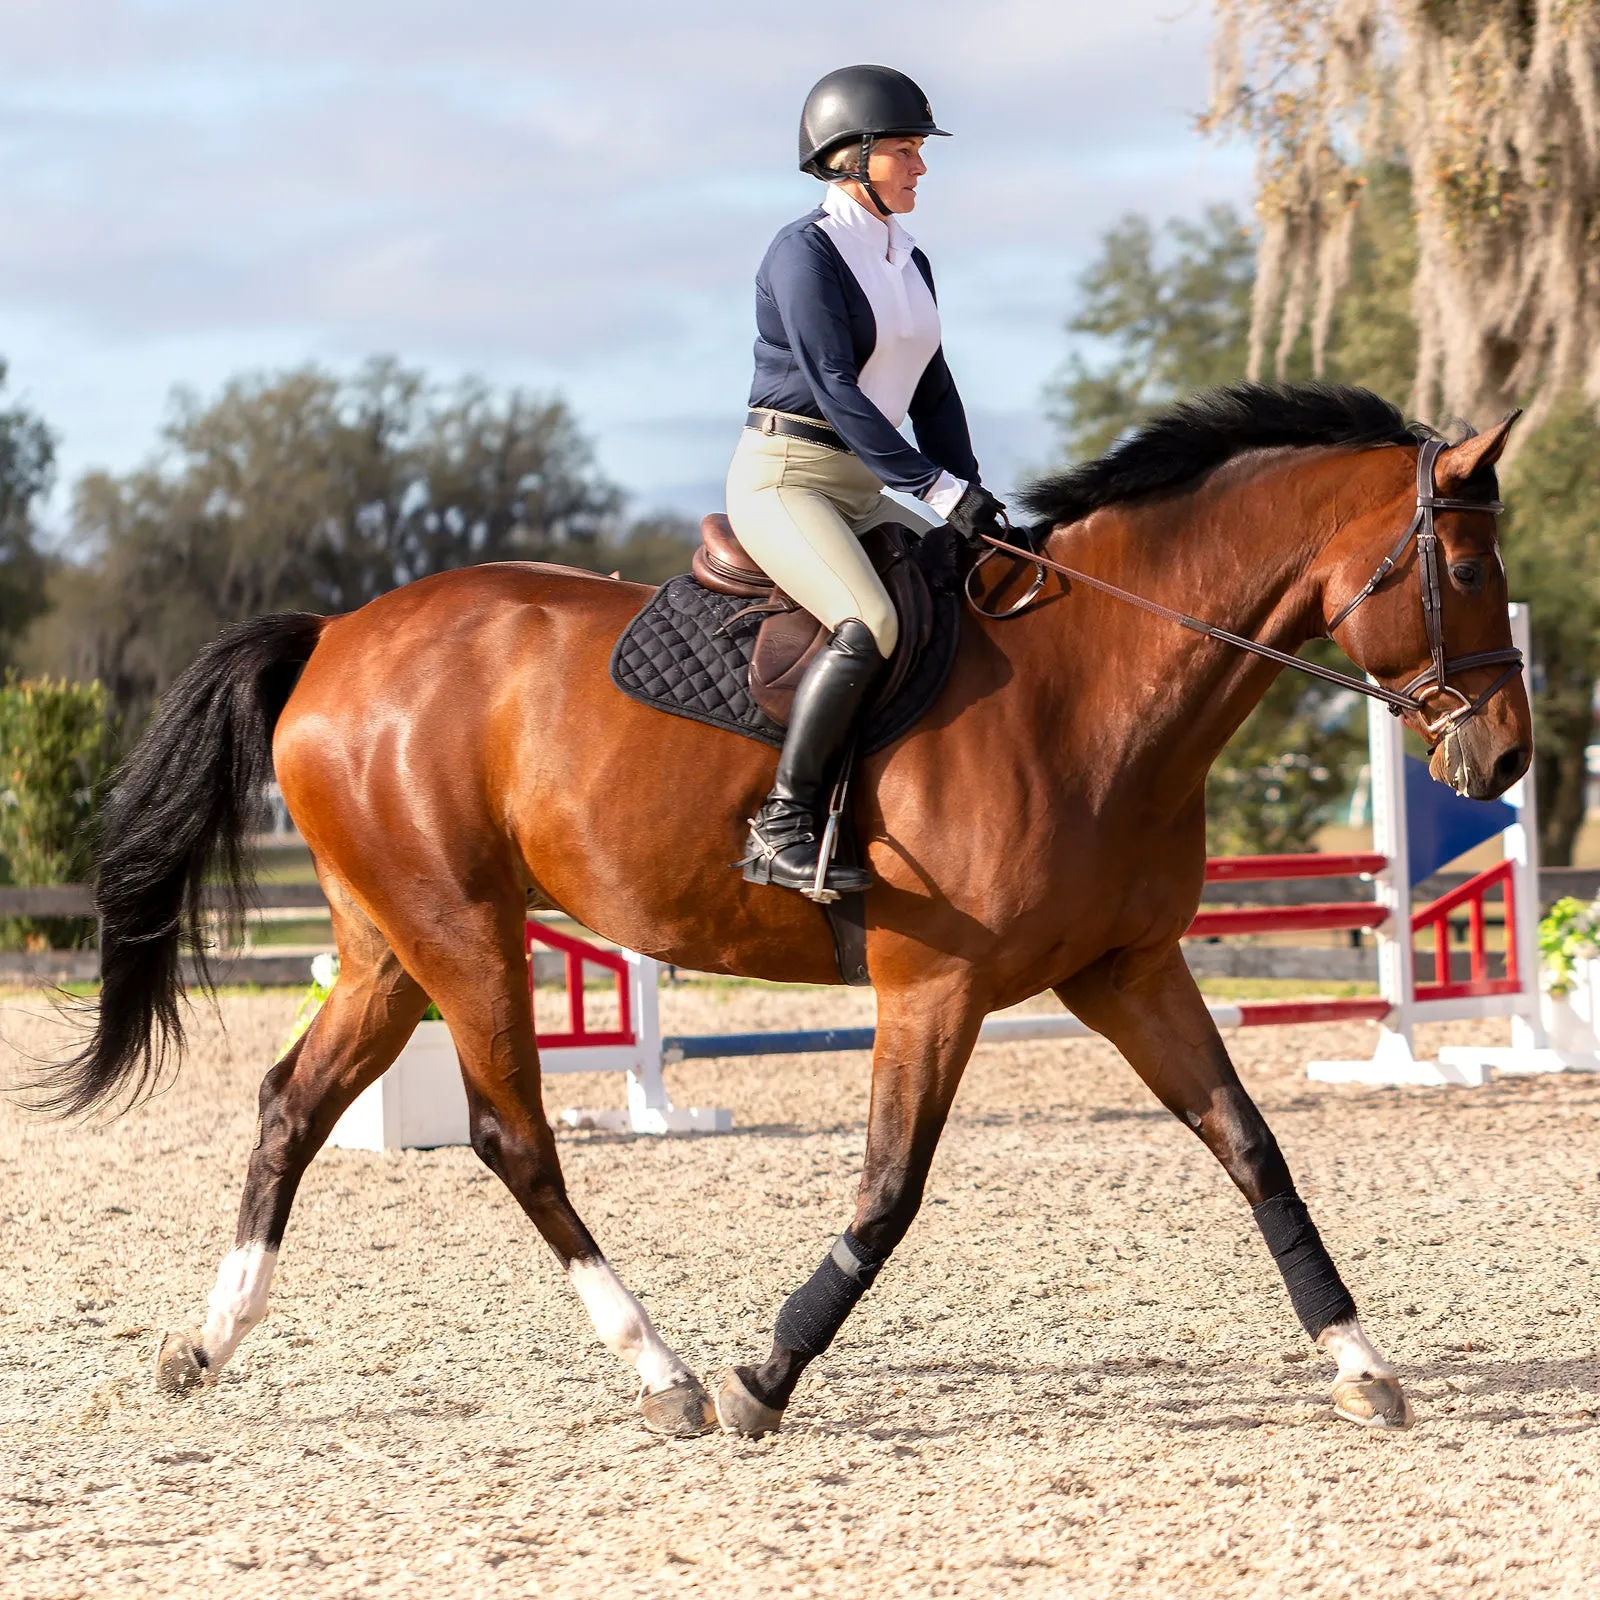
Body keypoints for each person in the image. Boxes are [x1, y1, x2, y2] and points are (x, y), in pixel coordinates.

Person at [730, 64, 1005, 899]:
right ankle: (782, 825)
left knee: (987, 582)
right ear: (849, 158)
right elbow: (834, 388)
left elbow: (934, 388)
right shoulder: (803, 254)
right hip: (789, 479)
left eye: (919, 150)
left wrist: (974, 494)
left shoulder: (907, 258)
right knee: (870, 618)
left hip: (863, 481)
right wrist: (931, 488)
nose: (921, 167)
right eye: (904, 150)